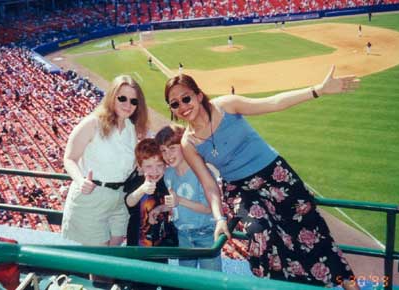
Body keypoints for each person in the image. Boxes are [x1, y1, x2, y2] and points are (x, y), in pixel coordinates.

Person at [163, 67, 360, 289]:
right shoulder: (188, 143)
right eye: (175, 103)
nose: (182, 106)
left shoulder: (226, 105)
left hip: (276, 176)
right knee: (262, 234)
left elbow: (273, 102)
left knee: (314, 233)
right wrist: (219, 218)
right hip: (241, 190)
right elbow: (209, 186)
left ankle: (350, 286)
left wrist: (317, 91)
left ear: (198, 95)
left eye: (186, 98)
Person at [62, 75, 149, 246]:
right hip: (92, 197)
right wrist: (80, 181)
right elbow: (69, 158)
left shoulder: (132, 130)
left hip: (119, 199)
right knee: (99, 261)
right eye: (122, 98)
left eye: (133, 101)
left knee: (111, 257)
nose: (128, 105)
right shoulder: (93, 123)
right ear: (112, 97)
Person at [155, 124, 222, 271]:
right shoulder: (168, 174)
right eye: (163, 151)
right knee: (186, 279)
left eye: (172, 148)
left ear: (184, 146)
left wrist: (179, 200)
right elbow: (177, 203)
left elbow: (208, 208)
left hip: (205, 233)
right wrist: (162, 207)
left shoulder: (200, 172)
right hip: (183, 234)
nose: (168, 155)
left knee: (211, 281)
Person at [124, 138, 178, 248]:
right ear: (140, 167)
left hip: (160, 242)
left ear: (165, 165)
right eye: (148, 166)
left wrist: (164, 207)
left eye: (159, 165)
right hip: (137, 243)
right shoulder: (138, 180)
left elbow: (171, 206)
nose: (155, 171)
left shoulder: (166, 181)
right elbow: (129, 201)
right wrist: (142, 189)